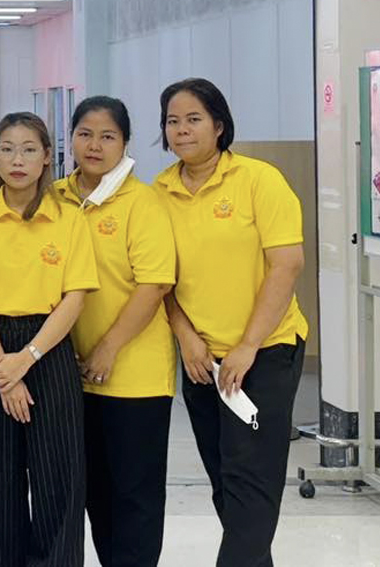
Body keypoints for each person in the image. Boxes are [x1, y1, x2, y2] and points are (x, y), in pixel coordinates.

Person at [155, 78, 307, 567]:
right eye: (172, 121)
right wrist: (185, 337)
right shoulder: (159, 192)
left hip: (264, 354)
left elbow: (286, 265)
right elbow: (157, 278)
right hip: (202, 360)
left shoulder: (259, 180)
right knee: (226, 482)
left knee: (250, 483)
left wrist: (247, 346)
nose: (182, 130)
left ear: (219, 126)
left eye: (193, 119)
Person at [0, 112, 97, 567]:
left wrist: (27, 358)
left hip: (50, 347)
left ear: (46, 158)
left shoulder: (69, 218)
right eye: (7, 149)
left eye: (28, 149)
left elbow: (75, 296)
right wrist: (5, 370)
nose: (17, 160)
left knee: (57, 476)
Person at [55, 96, 177, 567]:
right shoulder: (56, 198)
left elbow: (155, 284)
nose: (94, 145)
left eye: (108, 136)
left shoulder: (142, 203)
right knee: (95, 493)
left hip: (134, 377)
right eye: (85, 134)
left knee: (134, 495)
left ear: (125, 142)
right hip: (71, 375)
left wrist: (108, 347)